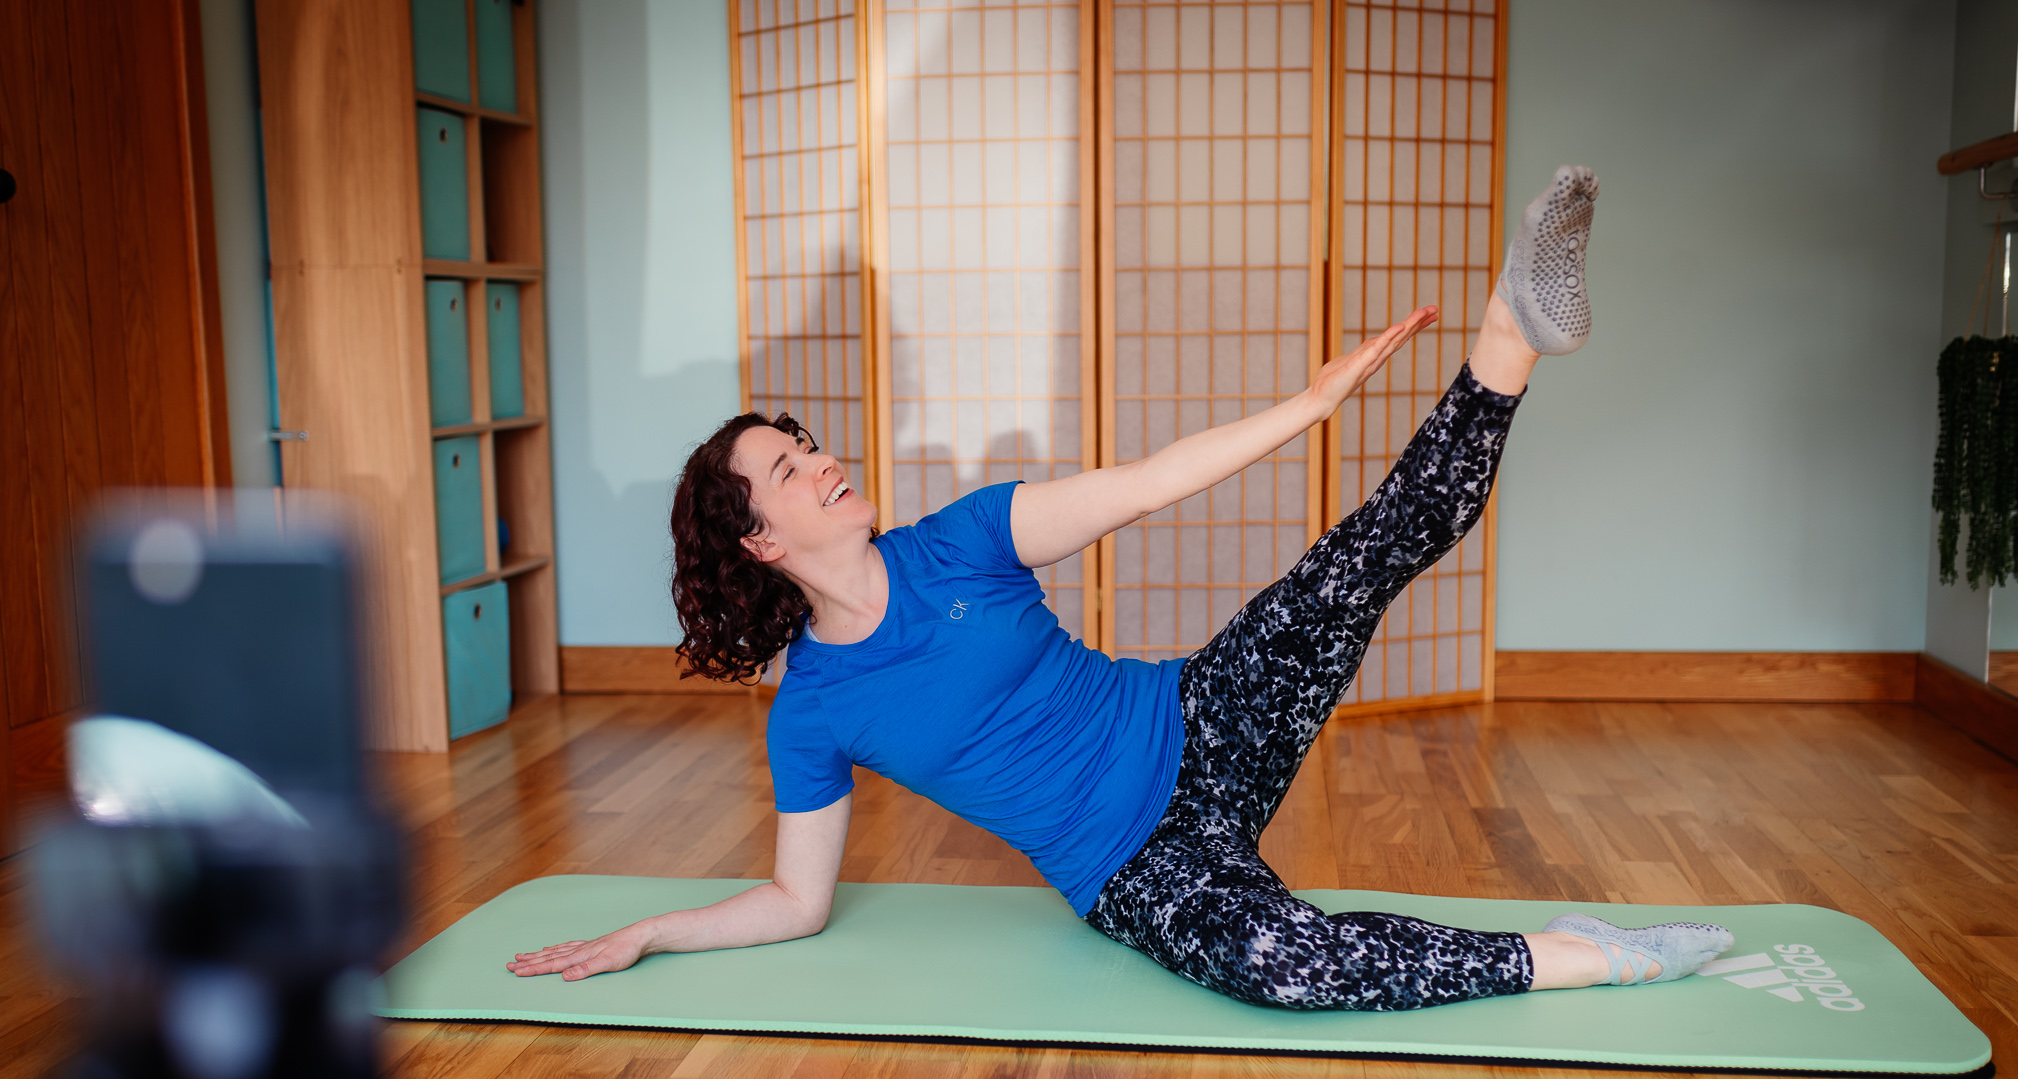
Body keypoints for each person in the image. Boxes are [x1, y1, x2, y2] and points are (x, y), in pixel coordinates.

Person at [509, 166, 1735, 1007]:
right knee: (1279, 965)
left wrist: (1307, 407)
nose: (820, 461)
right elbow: (794, 899)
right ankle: (1584, 957)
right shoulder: (814, 712)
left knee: (1368, 555)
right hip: (1131, 868)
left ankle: (1509, 331)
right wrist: (647, 934)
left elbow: (1144, 482)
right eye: (787, 468)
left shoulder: (963, 539)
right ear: (760, 541)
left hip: (1201, 720)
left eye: (807, 444)